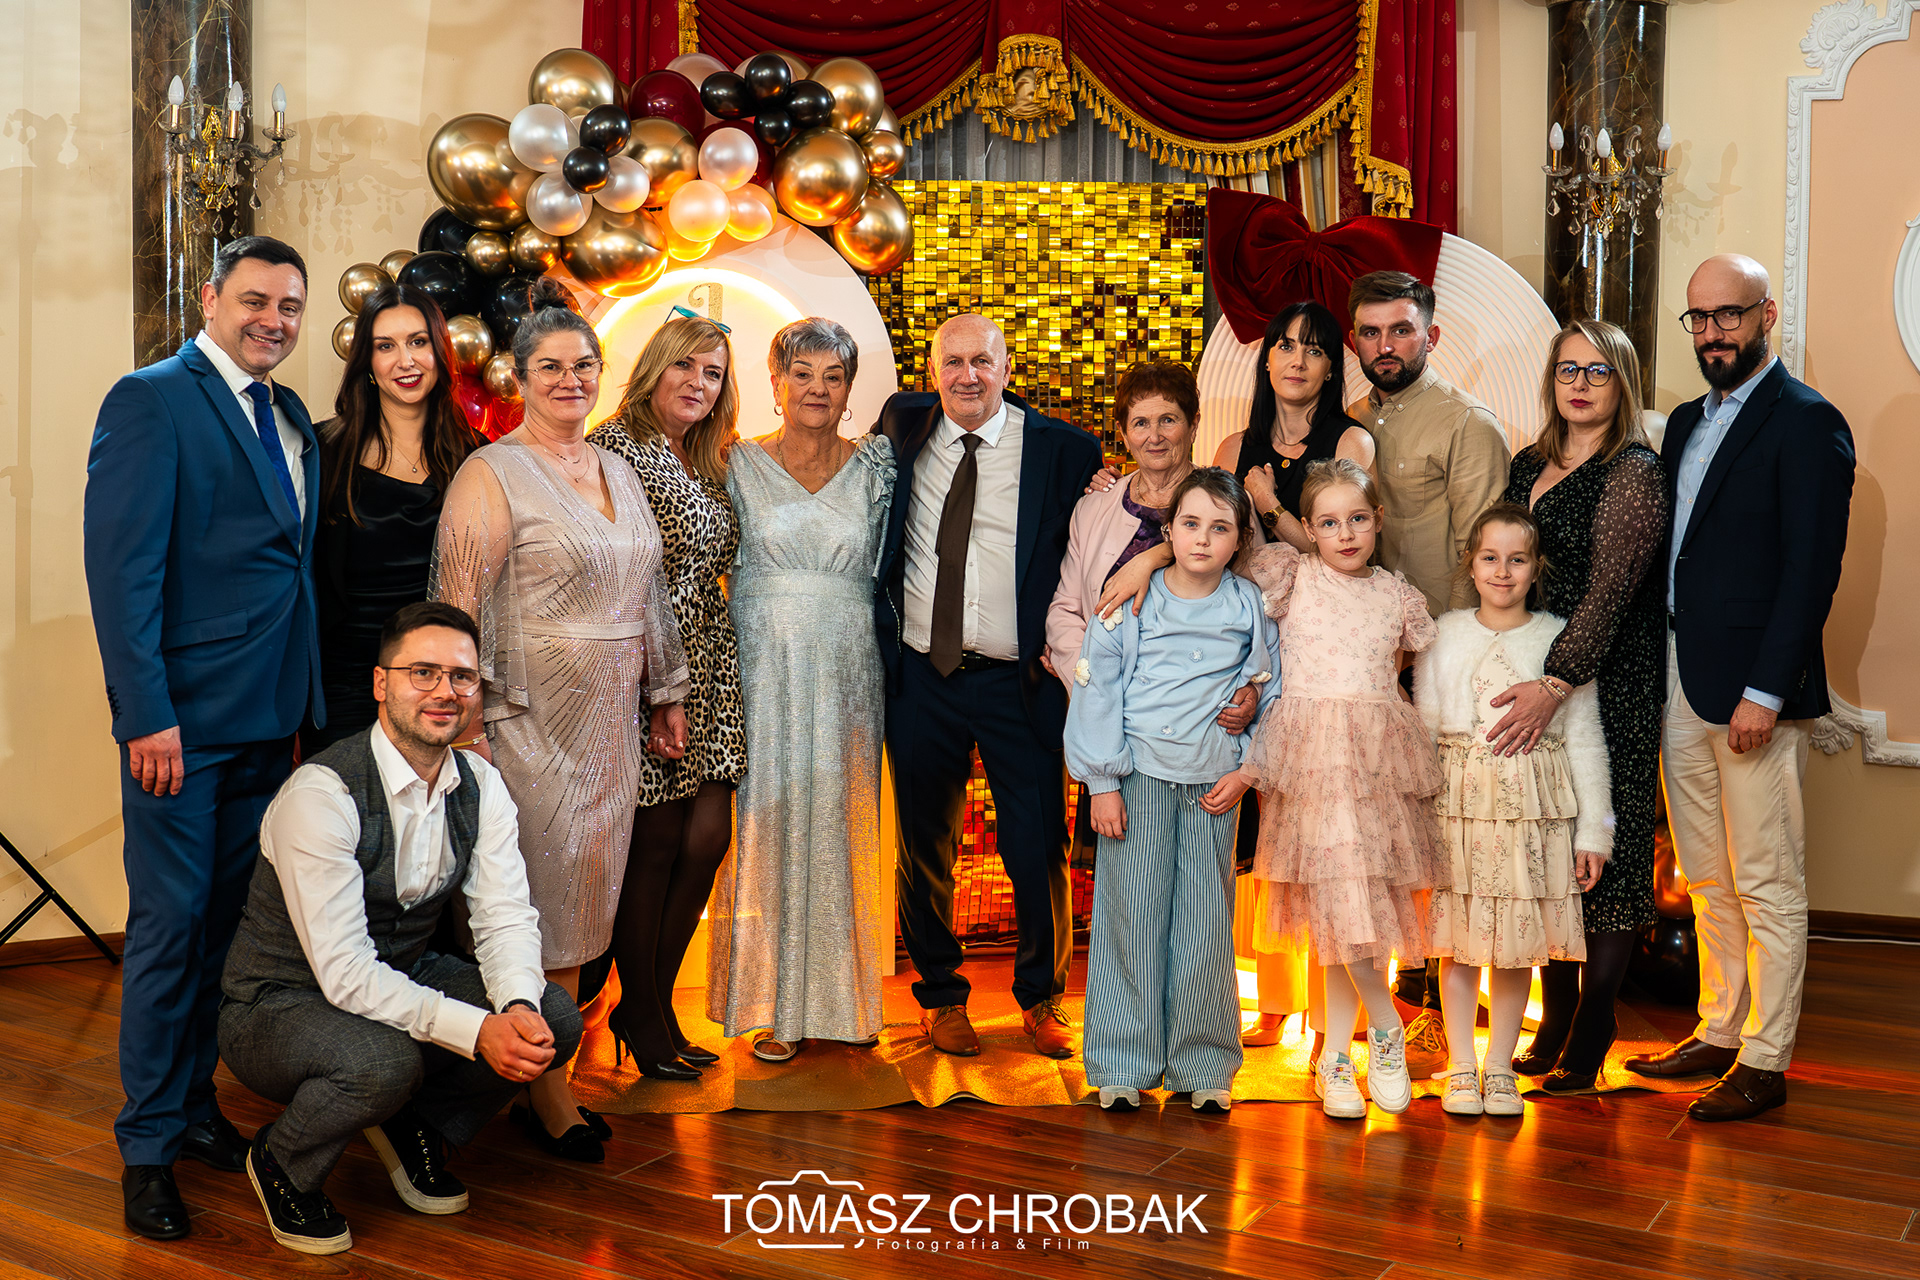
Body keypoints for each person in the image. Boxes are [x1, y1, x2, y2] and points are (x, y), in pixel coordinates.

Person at [84, 235, 324, 1241]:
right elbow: (123, 573)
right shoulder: (150, 400)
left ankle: (190, 1107)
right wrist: (145, 713)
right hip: (180, 727)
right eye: (256, 300)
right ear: (211, 297)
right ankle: (145, 1147)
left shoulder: (290, 412)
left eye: (290, 306)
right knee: (170, 928)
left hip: (270, 718)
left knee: (224, 930)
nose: (274, 320)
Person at [217, 603, 582, 1256]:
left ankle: (416, 1124)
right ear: (381, 683)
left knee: (551, 1017)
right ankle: (283, 1160)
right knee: (385, 1061)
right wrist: (478, 1030)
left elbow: (503, 917)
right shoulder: (322, 794)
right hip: (279, 1001)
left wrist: (517, 1007)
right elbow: (344, 972)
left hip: (402, 973)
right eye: (423, 673)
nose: (445, 691)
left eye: (462, 677)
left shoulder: (482, 785)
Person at [432, 280, 689, 1154]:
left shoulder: (618, 467)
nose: (569, 380)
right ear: (519, 376)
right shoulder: (491, 472)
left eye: (583, 365)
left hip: (611, 724)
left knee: (584, 904)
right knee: (531, 904)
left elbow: (648, 585)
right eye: (550, 367)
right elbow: (456, 606)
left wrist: (667, 691)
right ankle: (541, 1094)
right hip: (524, 724)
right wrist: (463, 727)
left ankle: (552, 1076)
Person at [1624, 254, 1855, 1122]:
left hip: (1753, 690)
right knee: (1706, 875)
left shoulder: (1809, 422)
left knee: (1766, 878)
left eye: (1730, 314)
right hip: (1682, 678)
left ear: (1765, 315)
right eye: (1700, 318)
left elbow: (1810, 573)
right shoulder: (1686, 421)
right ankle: (1720, 1029)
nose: (1713, 332)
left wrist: (1767, 689)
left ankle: (1766, 1057)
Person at [876, 312, 1103, 1058]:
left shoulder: (1066, 451)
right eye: (953, 362)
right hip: (922, 677)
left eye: (982, 361)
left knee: (1036, 844)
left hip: (1020, 681)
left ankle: (1042, 998)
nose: (967, 375)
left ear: (1007, 370)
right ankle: (940, 997)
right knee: (923, 846)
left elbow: (1108, 531)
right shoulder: (902, 426)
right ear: (931, 372)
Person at [1479, 320, 1669, 1091]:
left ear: (1623, 381)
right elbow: (1503, 559)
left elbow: (1610, 593)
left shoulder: (1634, 471)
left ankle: (1594, 1027)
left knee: (1607, 852)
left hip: (1608, 679)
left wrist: (1558, 680)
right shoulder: (1529, 462)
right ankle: (1553, 1019)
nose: (1580, 384)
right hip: (1535, 672)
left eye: (1598, 371)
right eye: (1567, 369)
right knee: (1550, 844)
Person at [706, 318, 894, 1062]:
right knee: (767, 821)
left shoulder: (877, 466)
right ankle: (771, 1004)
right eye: (803, 373)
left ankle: (847, 1001)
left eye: (833, 375)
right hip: (761, 669)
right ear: (776, 381)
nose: (818, 388)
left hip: (849, 670)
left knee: (844, 823)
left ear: (849, 390)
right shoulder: (734, 462)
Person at [1065, 468, 1279, 1113]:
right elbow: (1098, 687)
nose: (1203, 539)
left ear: (1239, 539)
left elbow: (1272, 688)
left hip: (1213, 783)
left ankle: (1204, 1064)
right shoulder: (1134, 598)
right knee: (1129, 919)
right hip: (1138, 778)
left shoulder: (1249, 605)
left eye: (1220, 528)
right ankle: (1121, 1062)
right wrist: (1102, 783)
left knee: (1204, 926)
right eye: (1190, 524)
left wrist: (1248, 770)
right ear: (1169, 532)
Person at [1240, 458, 1446, 1120]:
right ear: (1308, 529)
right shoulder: (1291, 577)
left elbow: (1397, 669)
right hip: (1309, 763)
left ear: (1378, 520)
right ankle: (1381, 1028)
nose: (1346, 533)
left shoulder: (1397, 596)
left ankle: (1334, 1054)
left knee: (1357, 906)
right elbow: (1212, 554)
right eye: (1329, 523)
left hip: (1376, 763)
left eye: (1358, 519)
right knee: (1339, 903)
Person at [1346, 269, 1511, 1066]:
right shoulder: (1350, 424)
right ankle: (1394, 997)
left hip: (1444, 667)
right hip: (1366, 670)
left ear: (1430, 336)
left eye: (1401, 329)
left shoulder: (1466, 424)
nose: (1386, 345)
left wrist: (1452, 670)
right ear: (1355, 341)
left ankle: (1444, 1011)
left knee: (1448, 840)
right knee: (1389, 838)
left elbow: (1487, 557)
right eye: (1371, 331)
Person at [1417, 505, 1612, 1118]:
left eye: (1517, 559)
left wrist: (1595, 831)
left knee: (1515, 943)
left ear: (1536, 567)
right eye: (1490, 557)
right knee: (1459, 942)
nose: (1502, 572)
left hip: (1533, 810)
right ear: (1470, 564)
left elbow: (1585, 738)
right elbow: (1423, 729)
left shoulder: (1559, 638)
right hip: (1459, 806)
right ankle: (1461, 1066)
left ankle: (1500, 1066)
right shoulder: (1444, 632)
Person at [590, 313, 745, 1079]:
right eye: (686, 365)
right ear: (655, 366)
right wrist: (661, 689)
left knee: (706, 839)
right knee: (653, 844)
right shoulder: (616, 448)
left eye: (713, 373)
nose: (698, 383)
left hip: (712, 662)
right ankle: (645, 1014)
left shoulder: (707, 456)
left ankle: (649, 1002)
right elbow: (622, 575)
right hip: (650, 669)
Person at [310, 285, 486, 752]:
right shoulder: (322, 452)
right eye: (385, 346)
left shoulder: (477, 456)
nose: (405, 361)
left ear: (440, 351)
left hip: (441, 684)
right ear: (367, 362)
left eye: (418, 342)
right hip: (346, 680)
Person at [1214, 300, 1375, 551]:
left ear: (1330, 369)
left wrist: (1267, 502)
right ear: (1267, 360)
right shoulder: (1232, 449)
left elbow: (1340, 550)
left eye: (1314, 351)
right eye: (1286, 346)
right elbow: (1212, 540)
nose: (1298, 362)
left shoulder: (1351, 442)